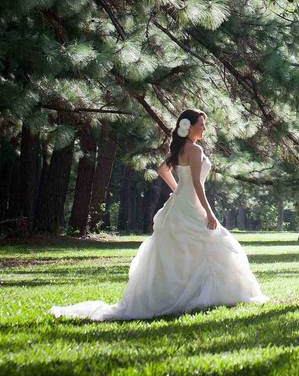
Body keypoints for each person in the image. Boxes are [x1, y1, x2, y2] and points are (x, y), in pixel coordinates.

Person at [49, 109, 268, 320]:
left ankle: (186, 292)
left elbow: (163, 170)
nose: (204, 128)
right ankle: (209, 293)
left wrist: (177, 190)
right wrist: (208, 212)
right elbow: (196, 185)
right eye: (201, 124)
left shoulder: (180, 149)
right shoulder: (195, 150)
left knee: (188, 247)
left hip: (180, 203)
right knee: (212, 242)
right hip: (190, 204)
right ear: (189, 127)